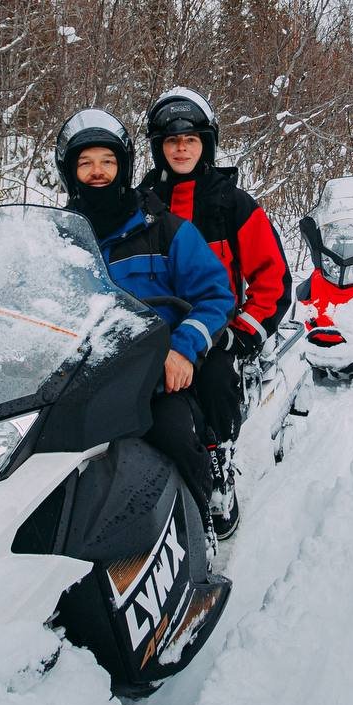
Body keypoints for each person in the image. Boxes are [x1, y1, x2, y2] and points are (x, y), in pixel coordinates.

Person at [54, 108, 235, 545]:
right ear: (70, 171)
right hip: (79, 375)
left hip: (151, 376)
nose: (97, 172)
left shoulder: (165, 230)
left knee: (174, 436)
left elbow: (216, 296)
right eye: (85, 163)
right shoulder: (59, 239)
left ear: (124, 166)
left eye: (107, 161)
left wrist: (182, 347)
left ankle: (198, 525)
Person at [141, 87, 292, 539]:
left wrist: (243, 331)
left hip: (218, 329)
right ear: (158, 148)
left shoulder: (233, 204)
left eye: (191, 139)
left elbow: (272, 276)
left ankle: (219, 463)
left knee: (214, 380)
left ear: (206, 142)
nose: (181, 148)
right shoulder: (145, 204)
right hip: (156, 332)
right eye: (171, 140)